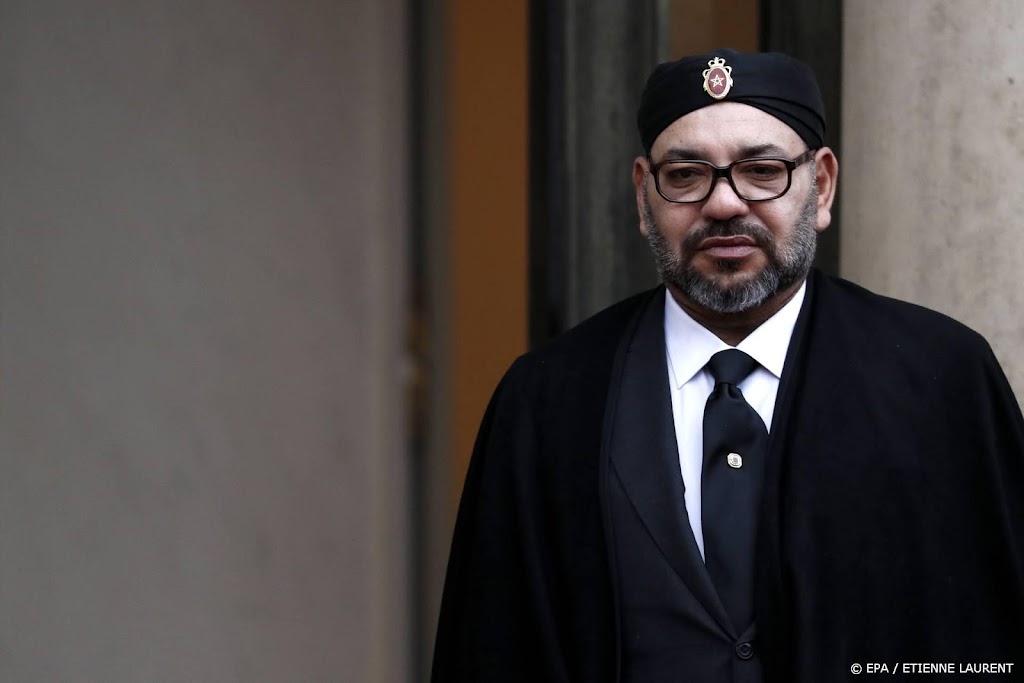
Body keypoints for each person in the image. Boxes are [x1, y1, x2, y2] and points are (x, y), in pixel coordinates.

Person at [431, 49, 1024, 683]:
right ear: (643, 197)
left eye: (762, 171)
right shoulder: (548, 402)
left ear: (822, 186)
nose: (723, 204)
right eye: (686, 175)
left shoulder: (939, 380)